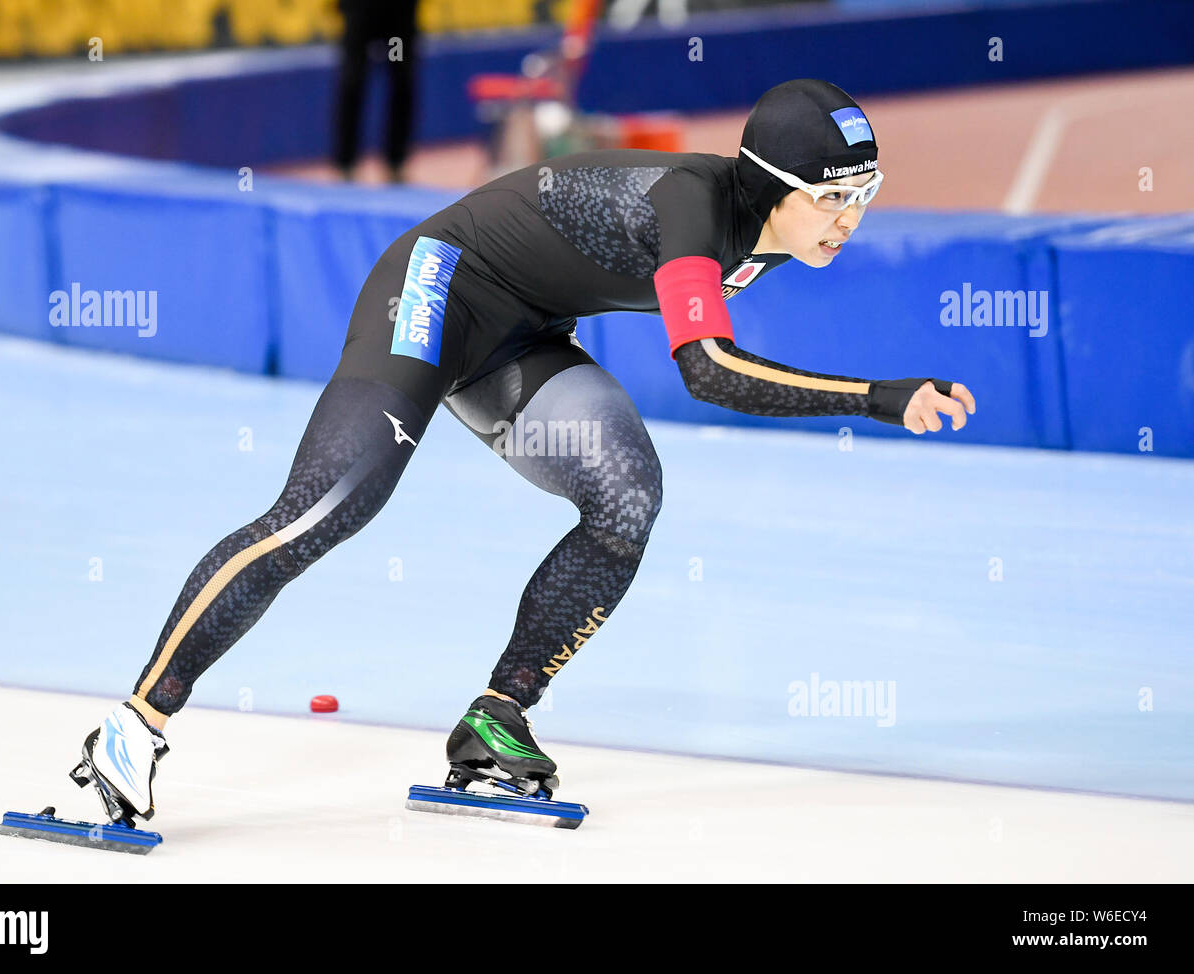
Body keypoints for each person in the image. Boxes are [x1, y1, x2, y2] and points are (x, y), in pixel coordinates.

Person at [73, 79, 975, 826]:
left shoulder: (781, 230)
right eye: (832, 198)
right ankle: (135, 722)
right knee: (328, 507)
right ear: (772, 183)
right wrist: (881, 399)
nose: (848, 219)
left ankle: (498, 718)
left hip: (524, 332)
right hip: (436, 286)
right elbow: (709, 370)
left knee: (627, 495)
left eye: (863, 196)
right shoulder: (698, 205)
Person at [332, 0, 420, 183]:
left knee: (401, 78)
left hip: (398, 13)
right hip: (361, 9)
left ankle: (396, 162)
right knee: (353, 79)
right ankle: (346, 164)